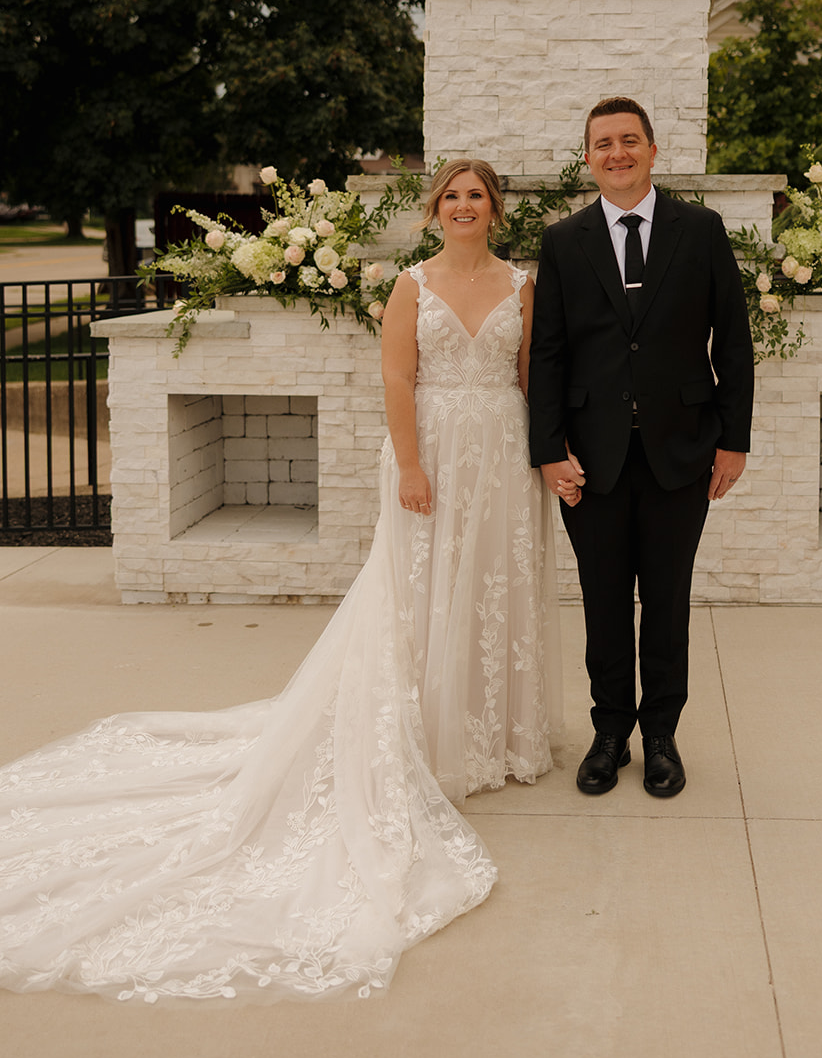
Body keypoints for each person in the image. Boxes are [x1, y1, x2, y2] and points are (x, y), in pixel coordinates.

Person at [0, 158, 561, 1003]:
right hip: (433, 452)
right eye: (451, 195)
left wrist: (541, 456)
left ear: (495, 209)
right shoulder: (411, 283)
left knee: (488, 593)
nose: (463, 207)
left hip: (502, 454)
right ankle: (432, 735)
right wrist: (410, 464)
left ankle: (497, 730)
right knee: (422, 595)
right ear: (434, 209)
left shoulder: (524, 285)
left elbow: (530, 381)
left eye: (476, 195)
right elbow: (398, 378)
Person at [529, 97, 754, 799]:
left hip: (681, 453)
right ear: (588, 157)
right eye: (603, 143)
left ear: (653, 151)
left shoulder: (703, 230)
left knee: (665, 601)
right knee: (601, 603)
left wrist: (733, 441)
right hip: (589, 461)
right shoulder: (564, 242)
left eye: (629, 141)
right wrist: (547, 449)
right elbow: (548, 356)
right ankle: (608, 735)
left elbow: (734, 342)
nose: (617, 153)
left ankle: (661, 737)